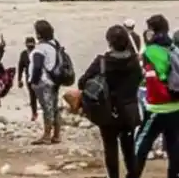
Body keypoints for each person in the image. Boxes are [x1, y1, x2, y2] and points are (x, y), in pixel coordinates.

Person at [76, 25, 142, 178]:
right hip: (129, 110)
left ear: (109, 42)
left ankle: (114, 176)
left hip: (108, 111)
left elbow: (82, 82)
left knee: (110, 147)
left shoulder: (102, 62)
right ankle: (133, 174)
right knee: (129, 146)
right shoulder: (134, 62)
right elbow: (139, 80)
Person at [134, 14, 179, 178]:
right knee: (174, 143)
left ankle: (133, 174)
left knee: (142, 143)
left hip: (157, 107)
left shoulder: (152, 51)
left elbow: (156, 75)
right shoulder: (174, 49)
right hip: (176, 106)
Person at [28, 20, 62, 145]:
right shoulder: (54, 45)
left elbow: (37, 66)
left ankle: (47, 136)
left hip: (43, 81)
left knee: (46, 108)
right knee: (54, 107)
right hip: (54, 80)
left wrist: (33, 82)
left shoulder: (40, 49)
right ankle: (57, 134)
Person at [17, 37, 38, 121]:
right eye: (28, 43)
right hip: (29, 77)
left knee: (40, 95)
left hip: (39, 77)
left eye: (31, 43)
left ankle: (45, 112)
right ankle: (34, 113)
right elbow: (20, 67)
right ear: (26, 44)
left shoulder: (38, 53)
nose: (30, 45)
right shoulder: (24, 54)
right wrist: (19, 79)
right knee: (32, 96)